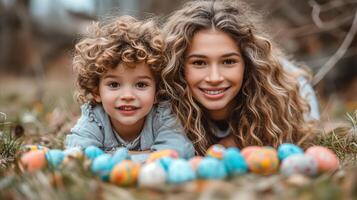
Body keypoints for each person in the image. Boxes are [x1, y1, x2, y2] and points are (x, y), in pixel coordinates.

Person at [161, 0, 319, 155]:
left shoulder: (288, 96)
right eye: (199, 62)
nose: (214, 78)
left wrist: (238, 140)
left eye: (229, 61)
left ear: (247, 64)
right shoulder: (163, 104)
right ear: (179, 67)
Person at [65, 15, 195, 160]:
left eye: (141, 85)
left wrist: (112, 158)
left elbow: (178, 152)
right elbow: (76, 154)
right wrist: (145, 157)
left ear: (157, 91)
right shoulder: (95, 118)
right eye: (114, 85)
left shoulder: (162, 116)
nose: (127, 95)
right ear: (96, 91)